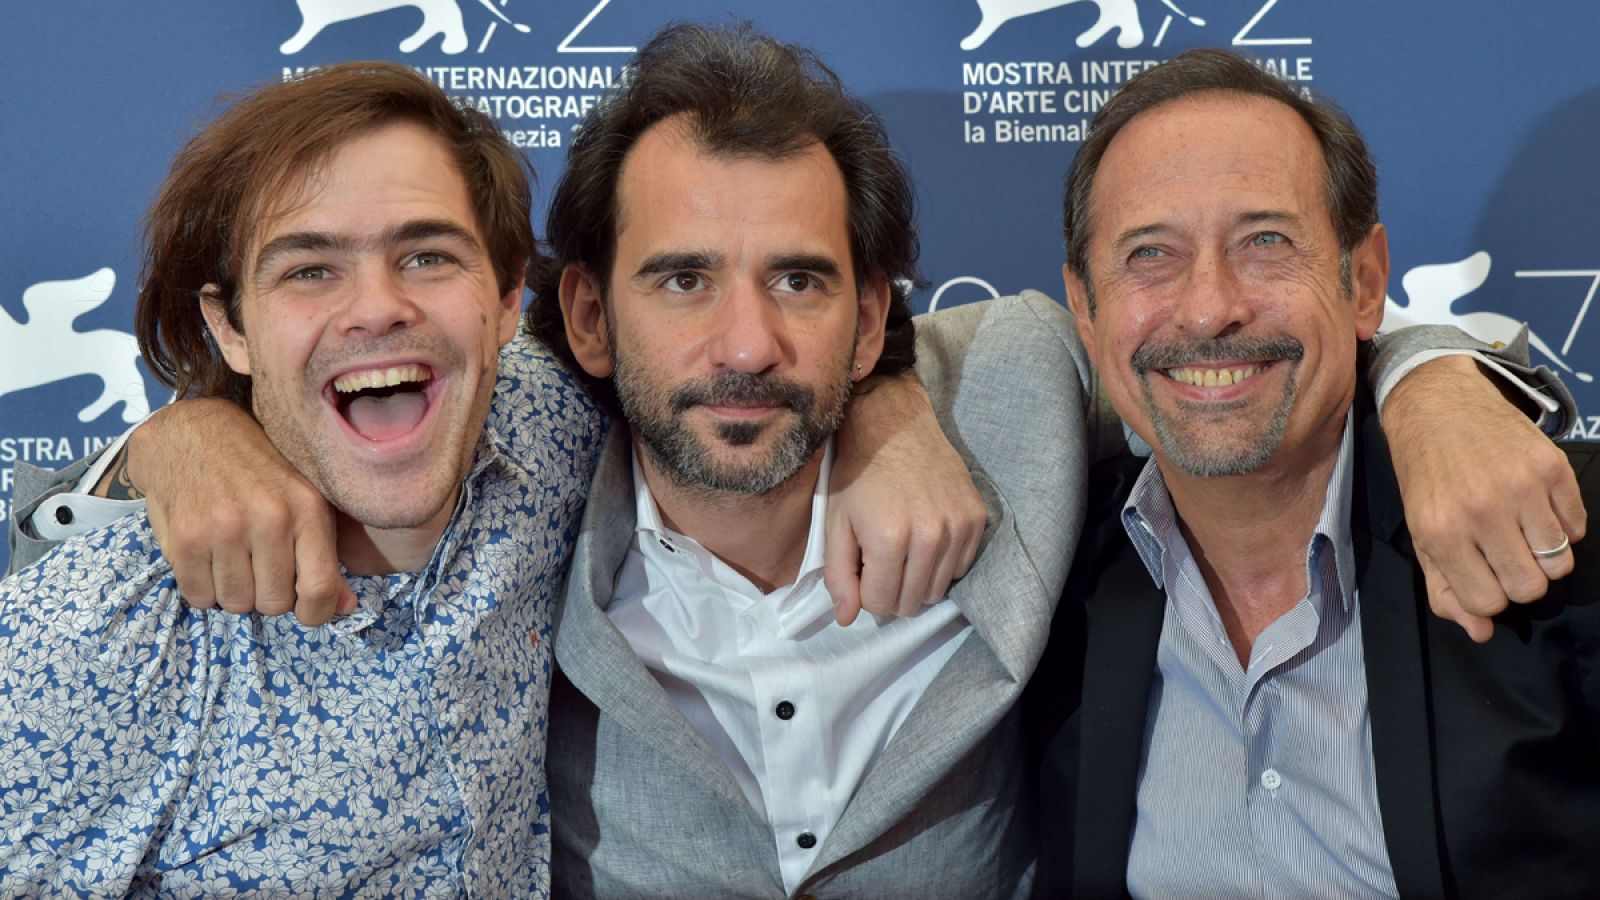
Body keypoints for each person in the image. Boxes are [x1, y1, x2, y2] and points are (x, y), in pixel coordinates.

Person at [9, 24, 1583, 900]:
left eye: (805, 282)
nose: (746, 346)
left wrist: (1436, 376)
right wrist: (180, 433)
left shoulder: (1016, 390)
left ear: (878, 314)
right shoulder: (515, 442)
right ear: (580, 316)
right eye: (682, 280)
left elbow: (1221, 351)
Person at [0, 59, 978, 895]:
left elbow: (756, 356)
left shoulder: (545, 427)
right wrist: (184, 437)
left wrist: (891, 415)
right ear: (229, 326)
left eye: (426, 256)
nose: (377, 308)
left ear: (510, 299)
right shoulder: (104, 630)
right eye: (310, 270)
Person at [1029, 48, 1599, 898]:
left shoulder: (1550, 527)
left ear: (1365, 282)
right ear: (1084, 305)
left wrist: (1430, 372)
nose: (1208, 306)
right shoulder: (1041, 569)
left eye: (1265, 241)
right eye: (1150, 253)